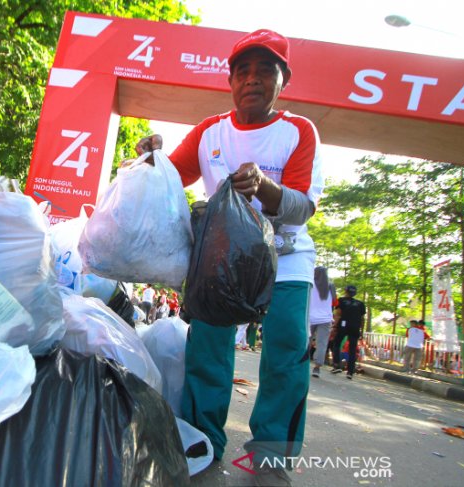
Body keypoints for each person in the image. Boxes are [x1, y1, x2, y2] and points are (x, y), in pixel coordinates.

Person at [136, 29, 324, 486]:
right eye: (243, 71)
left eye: (266, 70)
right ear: (230, 81)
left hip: (286, 261)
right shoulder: (209, 132)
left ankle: (272, 453)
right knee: (208, 352)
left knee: (283, 357)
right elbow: (168, 177)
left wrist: (265, 186)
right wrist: (149, 156)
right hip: (218, 265)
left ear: (283, 80)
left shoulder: (298, 130)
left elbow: (302, 206)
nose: (253, 80)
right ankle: (202, 440)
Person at [330, 285, 366, 380]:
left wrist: (334, 326)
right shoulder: (360, 304)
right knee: (352, 349)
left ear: (346, 291)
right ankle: (350, 371)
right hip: (355, 327)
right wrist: (361, 331)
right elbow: (362, 319)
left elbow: (337, 314)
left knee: (337, 344)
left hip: (343, 325)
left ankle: (336, 365)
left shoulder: (341, 301)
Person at [309, 266, 335, 378]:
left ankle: (301, 361)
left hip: (310, 317)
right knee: (322, 343)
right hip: (326, 319)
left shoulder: (310, 284)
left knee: (306, 340)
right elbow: (334, 301)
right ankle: (317, 367)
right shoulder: (331, 286)